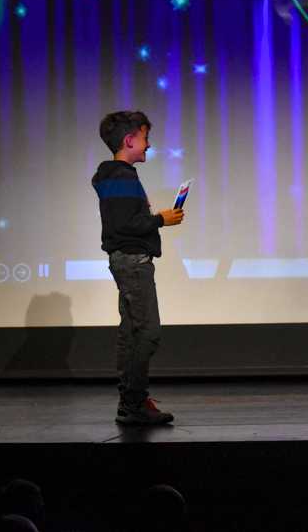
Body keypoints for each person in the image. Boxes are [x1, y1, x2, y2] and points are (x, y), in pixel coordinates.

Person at [94, 111, 183, 425]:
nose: (149, 145)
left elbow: (124, 221)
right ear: (129, 140)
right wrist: (160, 219)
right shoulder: (121, 176)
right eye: (145, 138)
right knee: (146, 333)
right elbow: (125, 225)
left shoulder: (116, 175)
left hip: (128, 260)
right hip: (132, 261)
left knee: (132, 333)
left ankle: (132, 401)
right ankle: (133, 402)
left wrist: (155, 219)